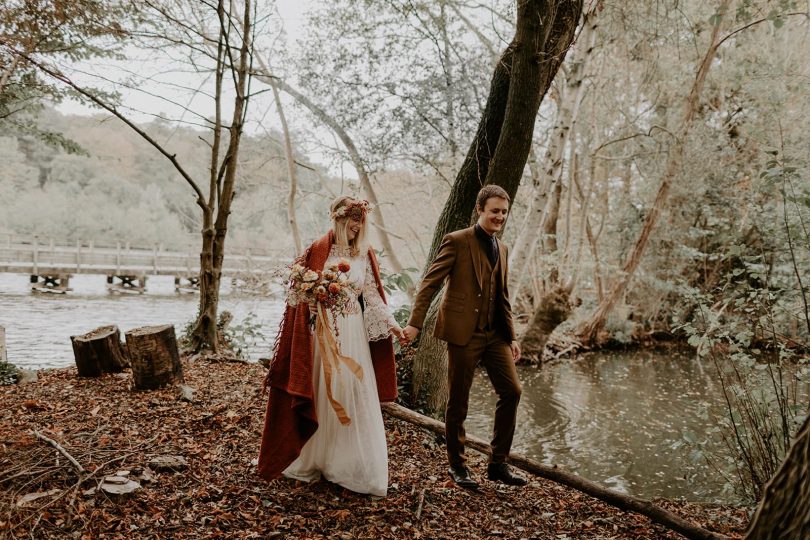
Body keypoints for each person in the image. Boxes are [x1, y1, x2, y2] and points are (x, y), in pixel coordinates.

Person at [258, 196, 403, 497]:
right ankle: (312, 458)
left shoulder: (364, 253)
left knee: (353, 393)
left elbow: (373, 297)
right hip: (320, 333)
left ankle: (348, 464)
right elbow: (298, 295)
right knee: (322, 391)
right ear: (338, 218)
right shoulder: (318, 250)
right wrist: (313, 300)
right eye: (352, 218)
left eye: (360, 220)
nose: (356, 225)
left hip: (353, 336)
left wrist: (394, 325)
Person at [401, 185, 526, 489]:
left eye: (504, 212)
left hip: (494, 334)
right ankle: (458, 466)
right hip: (462, 334)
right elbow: (429, 284)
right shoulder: (457, 241)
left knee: (512, 391)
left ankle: (498, 464)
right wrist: (415, 325)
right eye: (494, 210)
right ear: (480, 210)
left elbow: (503, 296)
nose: (499, 216)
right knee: (459, 401)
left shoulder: (503, 248)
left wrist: (511, 336)